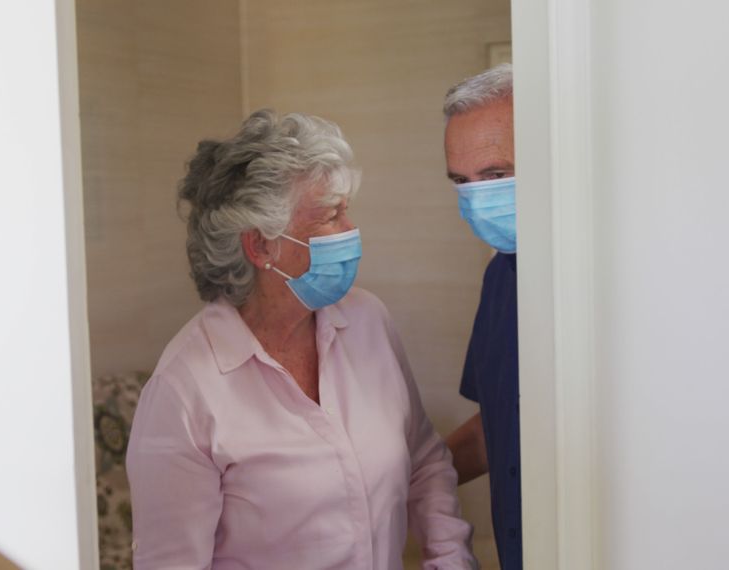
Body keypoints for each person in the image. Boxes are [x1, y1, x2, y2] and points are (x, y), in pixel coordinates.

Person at [126, 109, 476, 569]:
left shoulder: (368, 320)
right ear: (261, 246)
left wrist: (450, 559)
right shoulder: (185, 391)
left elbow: (425, 459)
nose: (350, 231)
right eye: (331, 215)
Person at [441, 64, 522, 569]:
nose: (477, 198)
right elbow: (498, 427)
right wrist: (385, 482)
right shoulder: (501, 277)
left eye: (495, 176)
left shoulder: (606, 286)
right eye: (461, 182)